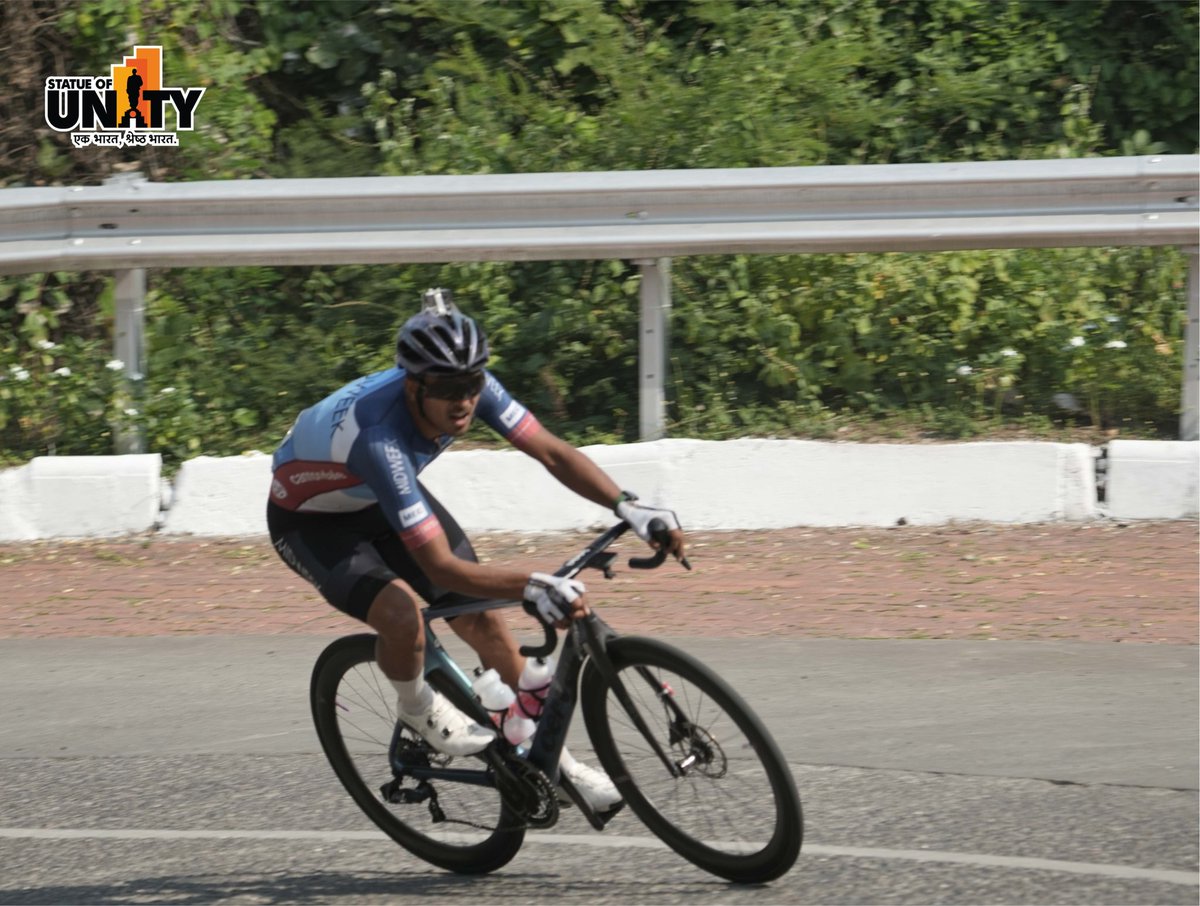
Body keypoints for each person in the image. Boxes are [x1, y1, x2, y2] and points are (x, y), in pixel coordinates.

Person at [267, 288, 687, 813]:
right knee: (401, 615)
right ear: (415, 386)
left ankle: (558, 766)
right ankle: (416, 705)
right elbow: (441, 566)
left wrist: (629, 506)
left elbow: (552, 452)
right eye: (448, 389)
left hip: (373, 498)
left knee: (484, 620)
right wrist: (533, 585)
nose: (463, 400)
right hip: (311, 524)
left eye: (471, 384)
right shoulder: (379, 437)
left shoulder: (469, 387)